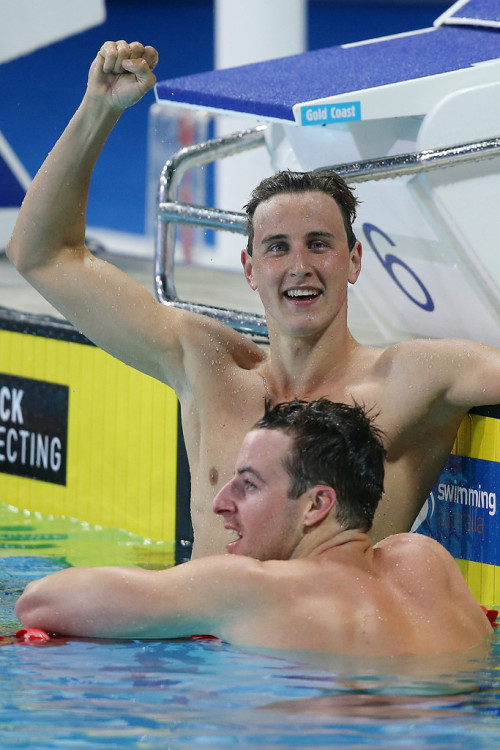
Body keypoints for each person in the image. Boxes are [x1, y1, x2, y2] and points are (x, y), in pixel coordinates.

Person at [6, 41, 500, 559]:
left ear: (354, 260)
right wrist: (97, 111)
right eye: (277, 248)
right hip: (200, 639)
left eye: (319, 244)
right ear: (249, 269)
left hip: (321, 638)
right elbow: (42, 255)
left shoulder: (410, 378)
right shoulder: (209, 366)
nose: (300, 266)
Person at [15, 399, 493, 655]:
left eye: (247, 485)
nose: (220, 504)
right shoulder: (426, 561)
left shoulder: (253, 589)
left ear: (316, 506)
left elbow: (39, 601)